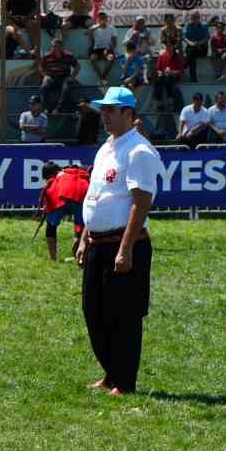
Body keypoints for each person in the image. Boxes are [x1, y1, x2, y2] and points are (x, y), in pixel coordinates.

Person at [75, 86, 161, 397]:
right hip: (98, 242)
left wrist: (125, 249)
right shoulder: (106, 149)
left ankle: (125, 380)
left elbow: (141, 202)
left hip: (125, 243)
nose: (105, 116)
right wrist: (85, 237)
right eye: (103, 110)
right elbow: (95, 196)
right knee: (94, 311)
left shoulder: (138, 151)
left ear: (129, 113)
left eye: (111, 110)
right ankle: (111, 373)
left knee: (123, 315)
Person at [38, 161, 90, 263]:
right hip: (81, 196)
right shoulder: (76, 172)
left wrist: (47, 209)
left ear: (51, 174)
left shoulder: (56, 178)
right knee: (81, 228)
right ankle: (79, 256)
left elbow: (48, 194)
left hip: (61, 196)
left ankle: (53, 258)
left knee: (51, 227)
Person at [39, 38, 78, 113]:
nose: (55, 48)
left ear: (61, 47)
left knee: (66, 89)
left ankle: (59, 108)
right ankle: (46, 108)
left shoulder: (68, 55)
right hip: (51, 77)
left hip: (64, 77)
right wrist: (45, 76)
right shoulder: (47, 56)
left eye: (57, 46)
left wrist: (72, 77)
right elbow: (40, 66)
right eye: (54, 46)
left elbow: (77, 66)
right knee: (43, 87)